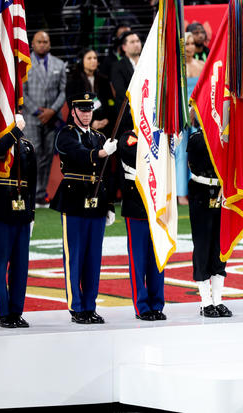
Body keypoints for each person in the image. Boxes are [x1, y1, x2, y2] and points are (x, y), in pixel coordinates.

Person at [51, 93, 117, 324]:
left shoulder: (100, 137)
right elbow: (78, 154)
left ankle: (90, 305)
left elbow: (106, 174)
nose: (87, 114)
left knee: (93, 259)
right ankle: (76, 307)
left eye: (90, 110)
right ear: (73, 111)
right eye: (82, 110)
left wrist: (109, 204)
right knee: (75, 256)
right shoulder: (66, 134)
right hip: (74, 200)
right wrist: (101, 153)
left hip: (96, 203)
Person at [0, 116, 36, 328]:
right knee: (1, 261)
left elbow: (33, 181)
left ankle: (16, 311)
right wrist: (15, 132)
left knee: (21, 264)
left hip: (22, 209)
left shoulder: (27, 147)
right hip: (1, 206)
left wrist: (32, 214)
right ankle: (3, 312)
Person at [118, 130, 166, 321]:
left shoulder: (158, 134)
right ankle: (142, 306)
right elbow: (132, 153)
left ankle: (157, 304)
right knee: (138, 261)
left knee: (157, 260)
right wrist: (160, 145)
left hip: (156, 206)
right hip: (136, 205)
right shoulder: (129, 136)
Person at [186, 127, 232, 318]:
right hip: (201, 192)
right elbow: (205, 155)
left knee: (220, 247)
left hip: (223, 193)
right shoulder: (196, 138)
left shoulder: (225, 136)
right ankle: (205, 301)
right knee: (203, 246)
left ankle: (218, 300)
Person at [22, 31, 67, 207]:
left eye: (45, 41)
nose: (42, 44)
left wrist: (52, 110)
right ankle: (29, 192)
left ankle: (41, 194)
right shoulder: (24, 64)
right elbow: (22, 92)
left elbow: (62, 91)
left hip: (52, 118)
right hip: (31, 118)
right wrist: (36, 112)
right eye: (39, 41)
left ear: (49, 44)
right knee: (32, 154)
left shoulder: (59, 64)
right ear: (33, 44)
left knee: (47, 156)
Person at [177, 32, 205, 206]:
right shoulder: (176, 67)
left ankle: (196, 187)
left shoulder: (202, 65)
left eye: (192, 43)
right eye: (186, 44)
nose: (190, 47)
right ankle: (181, 193)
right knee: (181, 152)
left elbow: (205, 90)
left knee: (198, 150)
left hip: (199, 113)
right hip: (180, 113)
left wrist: (196, 109)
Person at [66, 48, 116, 139]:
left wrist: (107, 119)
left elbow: (110, 102)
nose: (93, 61)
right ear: (81, 61)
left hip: (104, 122)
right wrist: (91, 122)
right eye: (89, 58)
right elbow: (72, 106)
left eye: (95, 58)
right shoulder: (73, 80)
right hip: (80, 123)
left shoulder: (103, 79)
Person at [110, 31, 142, 134]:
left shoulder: (148, 63)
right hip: (128, 115)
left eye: (137, 41)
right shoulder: (117, 66)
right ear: (124, 47)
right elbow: (120, 90)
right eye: (132, 42)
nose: (136, 44)